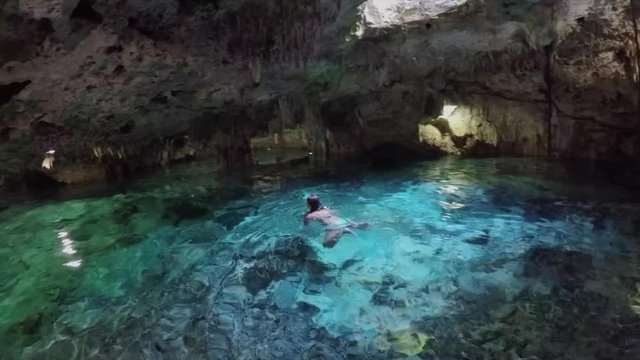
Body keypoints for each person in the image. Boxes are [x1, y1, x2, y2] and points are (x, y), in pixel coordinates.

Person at [303, 195, 370, 248]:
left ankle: (343, 231)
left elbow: (306, 226)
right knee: (349, 224)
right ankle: (357, 225)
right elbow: (336, 212)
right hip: (342, 220)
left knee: (326, 245)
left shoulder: (310, 215)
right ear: (319, 203)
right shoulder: (328, 209)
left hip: (333, 226)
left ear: (308, 205)